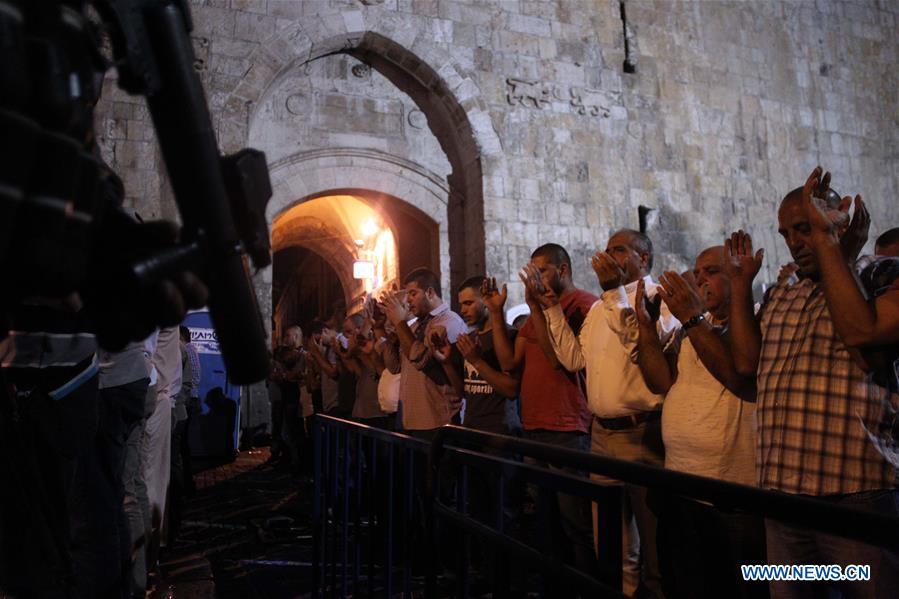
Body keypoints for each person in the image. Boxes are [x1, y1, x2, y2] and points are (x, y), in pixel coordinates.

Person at [725, 166, 899, 598]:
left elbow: (862, 334)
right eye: (787, 233)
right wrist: (740, 286)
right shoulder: (786, 288)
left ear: (836, 219)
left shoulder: (880, 276)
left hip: (854, 496)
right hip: (783, 495)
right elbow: (748, 366)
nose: (796, 242)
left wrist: (828, 243)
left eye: (805, 228)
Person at [531, 230, 673, 598]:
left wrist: (613, 292)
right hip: (602, 435)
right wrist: (549, 310)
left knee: (654, 545)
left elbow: (641, 348)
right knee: (611, 544)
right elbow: (573, 359)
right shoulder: (598, 308)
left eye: (620, 250)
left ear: (643, 258)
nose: (609, 256)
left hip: (641, 433)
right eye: (608, 249)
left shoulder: (662, 300)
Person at [634, 246, 765, 599]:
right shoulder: (690, 330)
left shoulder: (753, 322)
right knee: (684, 583)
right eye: (697, 271)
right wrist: (646, 329)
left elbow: (739, 376)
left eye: (711, 271)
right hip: (681, 486)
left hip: (727, 499)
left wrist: (692, 318)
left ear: (738, 276)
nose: (699, 278)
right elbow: (661, 382)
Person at [487, 243, 600, 590]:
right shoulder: (539, 309)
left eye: (543, 271)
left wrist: (539, 307)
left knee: (576, 524)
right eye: (532, 272)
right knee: (545, 522)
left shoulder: (582, 305)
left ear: (563, 270)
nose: (535, 278)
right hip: (534, 427)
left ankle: (586, 587)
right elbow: (509, 363)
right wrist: (496, 313)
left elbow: (557, 359)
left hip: (567, 427)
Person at [379, 268, 467, 437]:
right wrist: (384, 326)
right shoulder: (413, 326)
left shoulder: (449, 322)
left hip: (437, 420)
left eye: (413, 293)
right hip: (411, 420)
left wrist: (400, 323)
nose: (408, 301)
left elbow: (422, 360)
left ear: (430, 292)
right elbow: (394, 366)